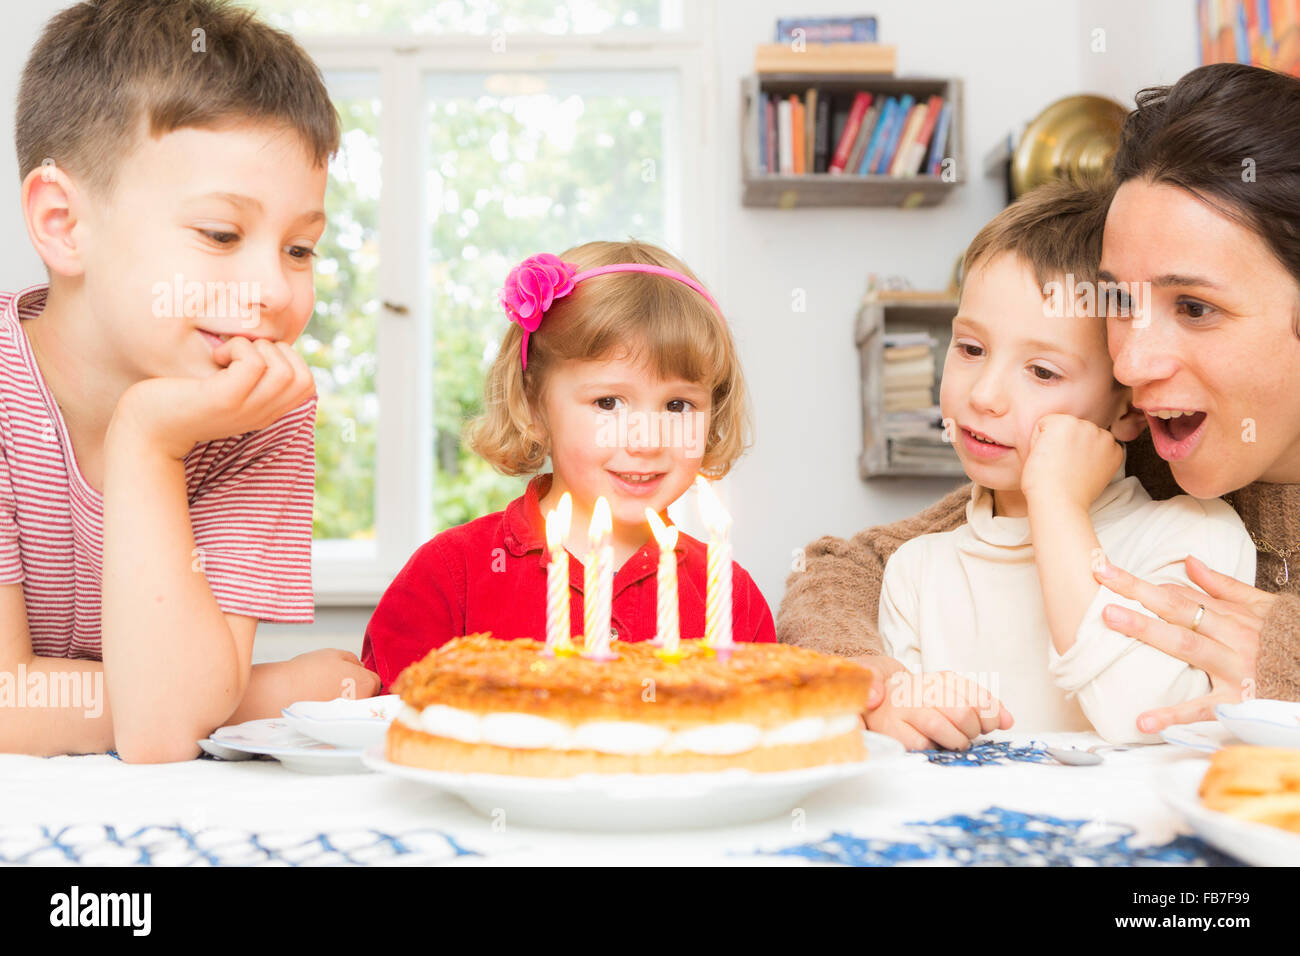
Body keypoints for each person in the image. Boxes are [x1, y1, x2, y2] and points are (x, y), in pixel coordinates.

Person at [779, 63, 1300, 739]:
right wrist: (872, 676)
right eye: (1117, 303)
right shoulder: (1126, 449)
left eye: (1194, 307)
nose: (1132, 361)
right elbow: (844, 571)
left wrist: (1282, 653)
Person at [0, 0, 379, 762]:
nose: (273, 289)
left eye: (300, 249)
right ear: (64, 224)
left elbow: (163, 729)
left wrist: (149, 438)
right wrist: (250, 694)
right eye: (221, 234)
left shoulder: (261, 412)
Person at [874, 179, 1254, 749]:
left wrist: (1056, 504)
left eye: (1043, 372)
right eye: (971, 349)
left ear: (1128, 406)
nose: (985, 396)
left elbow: (1146, 724)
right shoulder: (915, 572)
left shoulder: (1194, 539)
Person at [361, 240, 775, 691]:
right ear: (533, 406)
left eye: (678, 405)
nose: (647, 439)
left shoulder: (731, 597)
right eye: (608, 402)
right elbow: (385, 729)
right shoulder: (448, 577)